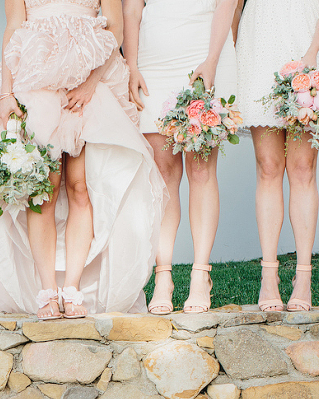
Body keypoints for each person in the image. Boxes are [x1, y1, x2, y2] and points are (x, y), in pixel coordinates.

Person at [0, 0, 165, 318]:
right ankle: (47, 291)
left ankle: (73, 289)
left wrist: (91, 83)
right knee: (43, 190)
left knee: (80, 187)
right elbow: (13, 28)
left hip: (92, 80)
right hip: (36, 78)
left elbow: (115, 28)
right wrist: (7, 93)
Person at [124, 0, 240, 315]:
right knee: (163, 175)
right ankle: (164, 278)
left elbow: (226, 5)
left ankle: (201, 274)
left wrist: (212, 61)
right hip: (153, 59)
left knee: (201, 171)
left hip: (203, 53)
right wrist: (131, 65)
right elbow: (132, 9)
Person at [233, 0, 319, 312]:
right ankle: (269, 275)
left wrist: (312, 52)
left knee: (302, 168)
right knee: (268, 167)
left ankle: (303, 276)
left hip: (306, 38)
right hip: (259, 40)